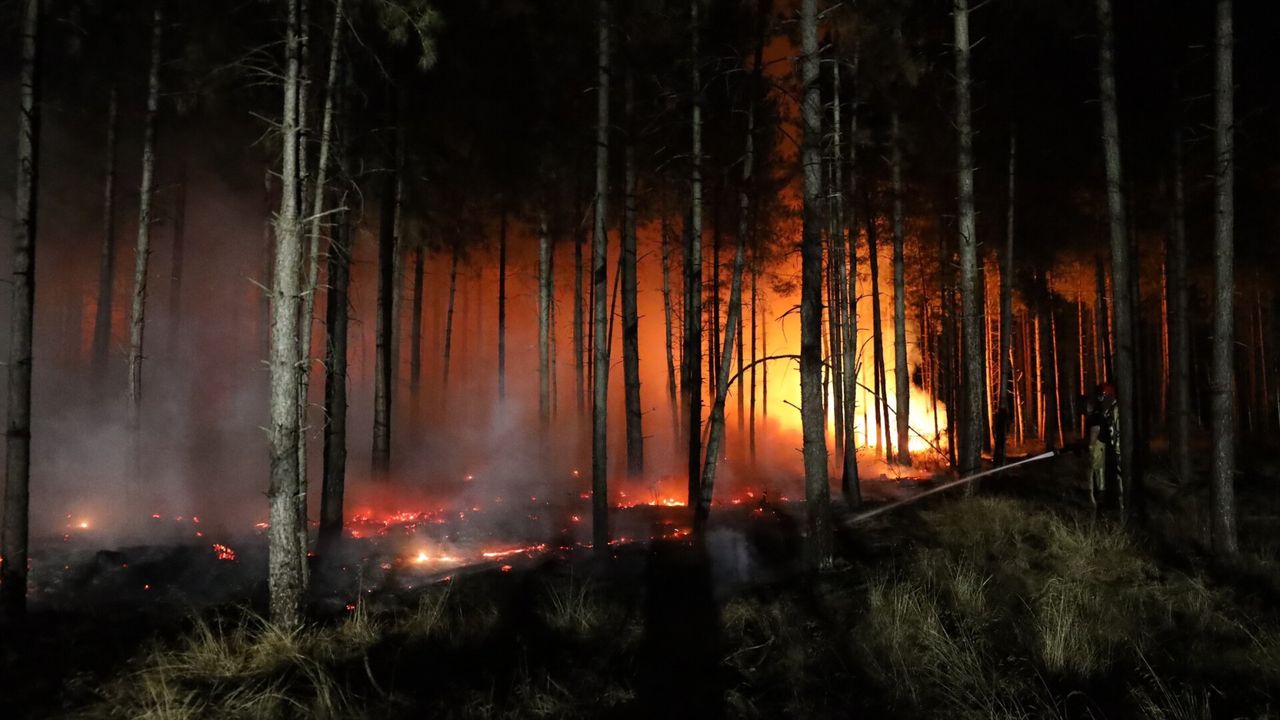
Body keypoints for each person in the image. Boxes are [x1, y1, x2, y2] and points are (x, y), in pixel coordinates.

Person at [1083, 382, 1121, 515]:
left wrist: (1091, 445)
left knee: (1101, 478)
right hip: (1110, 451)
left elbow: (1099, 432)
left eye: (1101, 397)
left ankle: (1102, 507)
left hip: (1112, 452)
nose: (1100, 400)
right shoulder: (1107, 412)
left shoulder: (1112, 411)